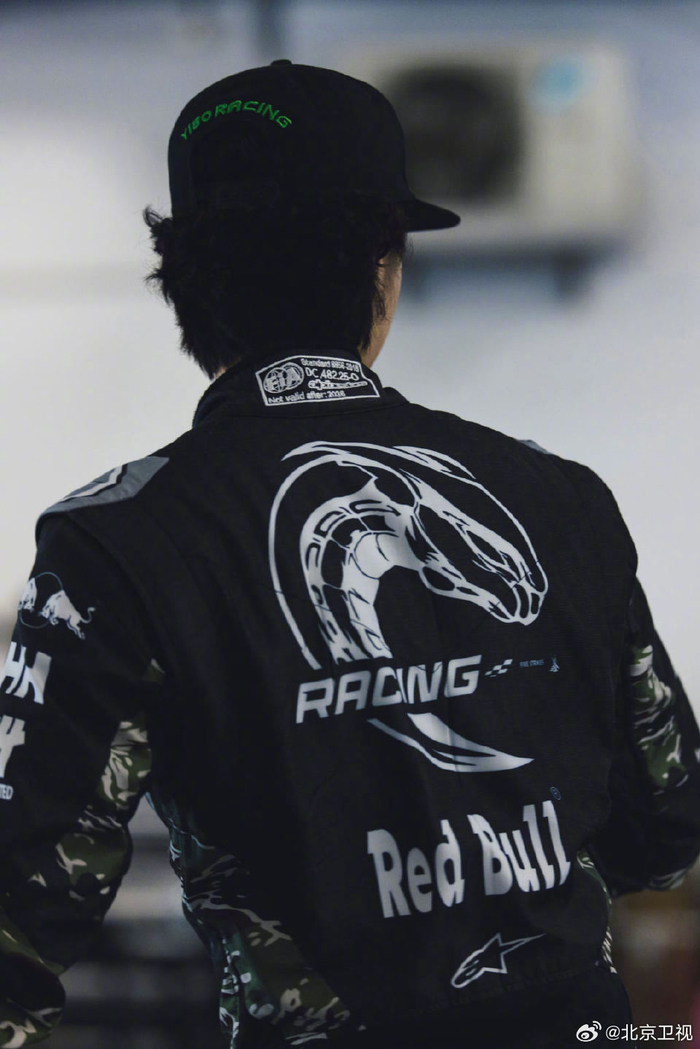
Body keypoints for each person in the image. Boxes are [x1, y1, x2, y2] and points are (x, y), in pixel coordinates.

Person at [0, 60, 699, 1049]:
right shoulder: (558, 495)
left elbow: (21, 906)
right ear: (384, 264)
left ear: (184, 285)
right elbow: (665, 829)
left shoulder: (116, 539)